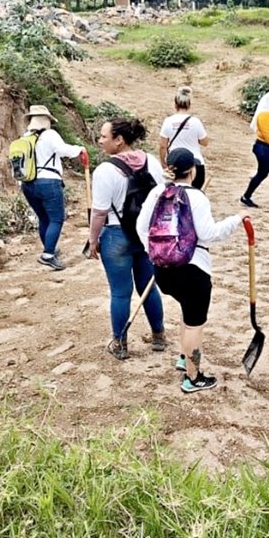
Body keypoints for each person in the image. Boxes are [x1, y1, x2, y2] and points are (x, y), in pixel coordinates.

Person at [138, 148, 249, 393]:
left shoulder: (157, 192)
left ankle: (183, 357)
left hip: (162, 269)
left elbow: (141, 227)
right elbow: (209, 234)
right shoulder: (197, 197)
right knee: (194, 323)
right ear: (193, 170)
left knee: (185, 313)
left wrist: (156, 252)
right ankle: (193, 377)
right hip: (193, 269)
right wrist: (236, 219)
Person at [87, 117, 165, 361]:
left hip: (116, 235)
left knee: (120, 293)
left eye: (104, 136)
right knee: (148, 287)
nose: (100, 141)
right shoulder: (152, 162)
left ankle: (120, 343)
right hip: (146, 234)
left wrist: (92, 240)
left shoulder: (105, 171)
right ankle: (159, 336)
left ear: (119, 140)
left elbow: (99, 212)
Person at [18, 105, 87, 271]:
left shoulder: (24, 137)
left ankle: (50, 248)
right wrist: (80, 149)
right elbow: (63, 150)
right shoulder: (50, 135)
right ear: (47, 120)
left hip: (28, 184)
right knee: (56, 219)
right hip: (49, 182)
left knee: (44, 219)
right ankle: (48, 254)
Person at [159, 86, 210, 190]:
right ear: (189, 105)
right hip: (196, 163)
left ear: (175, 104)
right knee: (195, 196)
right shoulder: (196, 122)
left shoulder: (168, 121)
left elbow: (162, 146)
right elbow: (205, 142)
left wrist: (163, 163)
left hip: (175, 163)